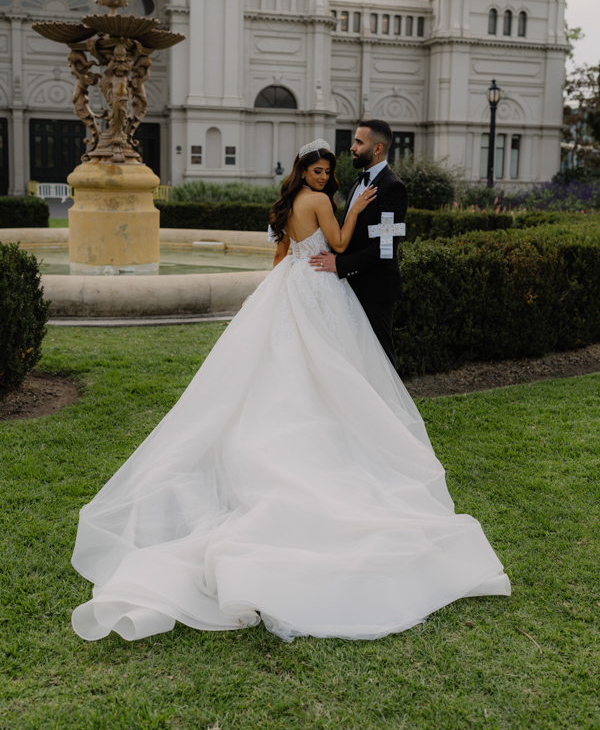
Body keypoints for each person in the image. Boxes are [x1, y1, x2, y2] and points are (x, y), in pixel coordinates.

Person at [71, 138, 510, 644]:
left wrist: (275, 291)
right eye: (318, 170)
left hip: (291, 284)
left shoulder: (285, 205)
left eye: (327, 171)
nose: (324, 177)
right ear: (305, 171)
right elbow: (340, 246)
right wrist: (358, 209)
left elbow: (283, 255)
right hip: (321, 286)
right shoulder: (322, 202)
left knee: (287, 365)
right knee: (330, 366)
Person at [309, 119, 406, 366]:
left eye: (358, 142)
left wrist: (339, 265)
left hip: (375, 291)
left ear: (377, 149)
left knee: (380, 361)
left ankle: (388, 406)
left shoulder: (392, 187)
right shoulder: (358, 180)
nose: (352, 147)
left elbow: (384, 248)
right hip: (348, 287)